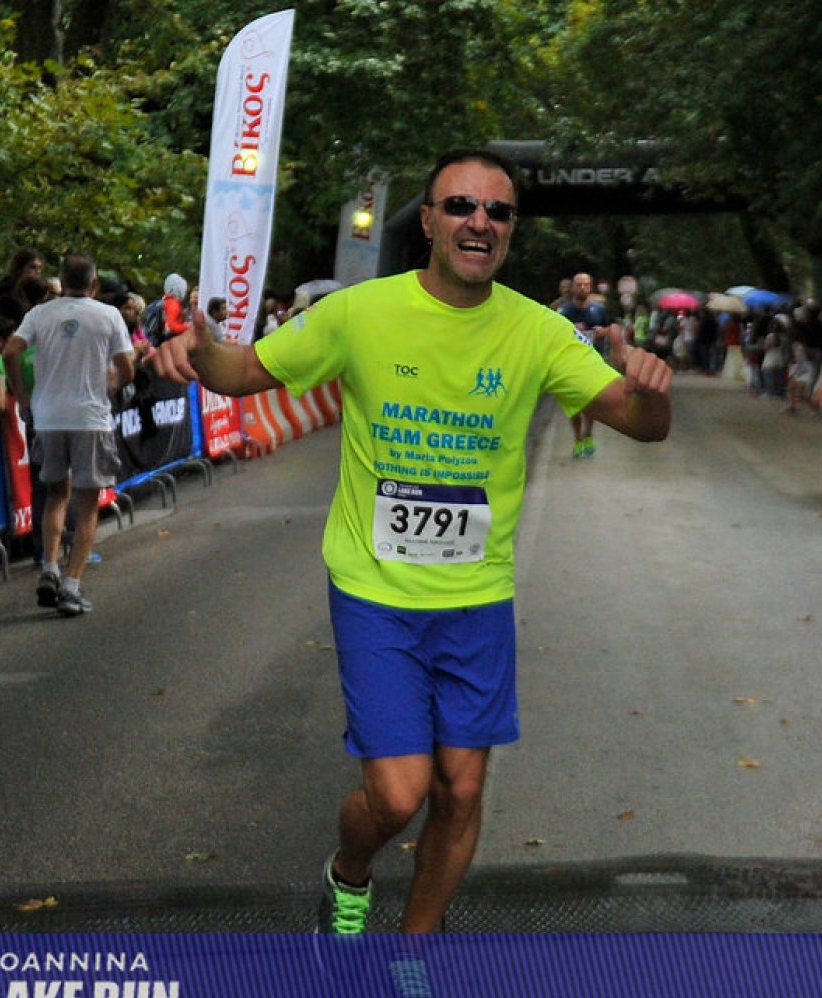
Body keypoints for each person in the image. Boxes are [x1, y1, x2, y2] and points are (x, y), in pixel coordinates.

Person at [152, 148, 671, 949]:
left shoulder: (539, 331)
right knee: (398, 797)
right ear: (428, 221)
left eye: (498, 211)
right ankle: (349, 870)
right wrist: (197, 349)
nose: (479, 222)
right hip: (376, 592)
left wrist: (650, 390)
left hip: (476, 598)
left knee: (460, 794)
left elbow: (640, 423)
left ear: (510, 231)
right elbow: (245, 370)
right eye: (460, 205)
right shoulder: (360, 313)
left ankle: (414, 951)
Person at [3, 254, 134, 618]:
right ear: (94, 284)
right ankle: (72, 587)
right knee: (87, 504)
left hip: (48, 417)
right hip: (90, 417)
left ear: (61, 283)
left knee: (56, 495)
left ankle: (49, 568)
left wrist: (23, 397)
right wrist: (113, 384)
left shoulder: (39, 314)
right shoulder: (108, 315)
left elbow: (10, 351)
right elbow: (127, 366)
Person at [558, 271, 612, 458]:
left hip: (593, 362)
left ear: (591, 287)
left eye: (586, 284)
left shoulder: (599, 310)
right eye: (579, 284)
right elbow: (554, 335)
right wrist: (571, 330)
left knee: (590, 402)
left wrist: (603, 331)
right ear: (573, 287)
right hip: (571, 364)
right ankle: (577, 439)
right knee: (574, 404)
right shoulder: (565, 311)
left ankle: (588, 434)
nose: (583, 288)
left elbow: (610, 328)